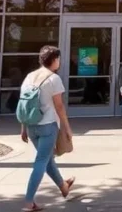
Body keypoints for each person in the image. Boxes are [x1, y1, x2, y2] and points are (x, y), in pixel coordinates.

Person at [20, 45, 76, 212]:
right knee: (41, 161)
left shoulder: (30, 76)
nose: (59, 61)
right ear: (54, 60)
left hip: (31, 126)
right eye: (58, 58)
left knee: (47, 159)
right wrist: (67, 128)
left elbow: (24, 103)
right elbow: (59, 107)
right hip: (47, 126)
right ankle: (29, 201)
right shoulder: (53, 78)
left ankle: (64, 187)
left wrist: (23, 127)